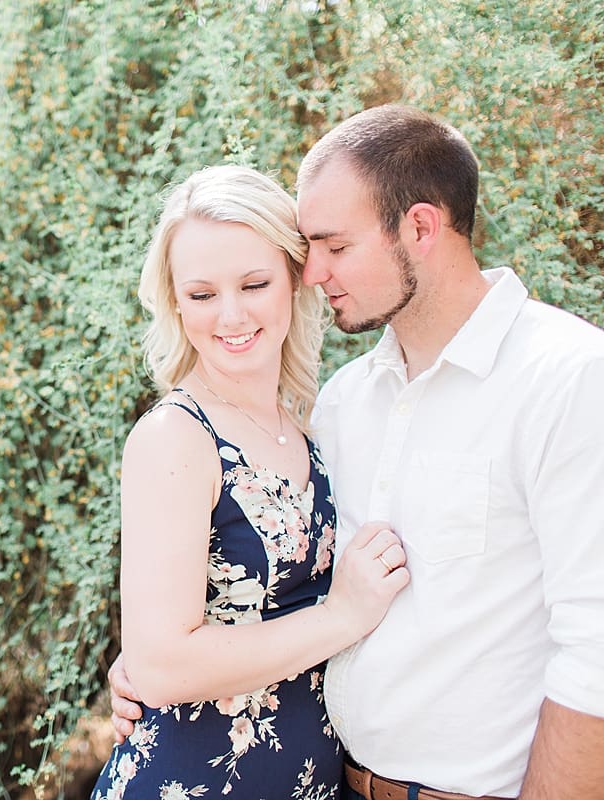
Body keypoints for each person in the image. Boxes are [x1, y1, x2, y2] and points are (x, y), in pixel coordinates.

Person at [107, 105, 604, 799]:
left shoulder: (567, 375)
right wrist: (155, 662)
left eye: (333, 248)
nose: (314, 273)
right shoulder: (345, 404)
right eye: (308, 250)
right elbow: (271, 603)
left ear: (421, 228)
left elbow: (596, 648)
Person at [89, 164, 410, 799]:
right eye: (202, 294)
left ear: (297, 278)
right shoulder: (176, 438)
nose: (230, 315)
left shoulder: (316, 423)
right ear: (175, 302)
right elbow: (160, 665)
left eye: (254, 283)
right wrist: (343, 613)